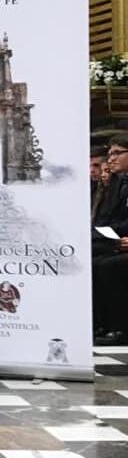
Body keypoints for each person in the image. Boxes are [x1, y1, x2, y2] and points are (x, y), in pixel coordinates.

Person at [92, 134, 128, 345]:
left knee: (108, 266)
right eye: (110, 154)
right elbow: (111, 218)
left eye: (117, 153)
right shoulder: (118, 183)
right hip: (119, 238)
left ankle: (120, 327)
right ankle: (101, 322)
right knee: (93, 260)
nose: (111, 159)